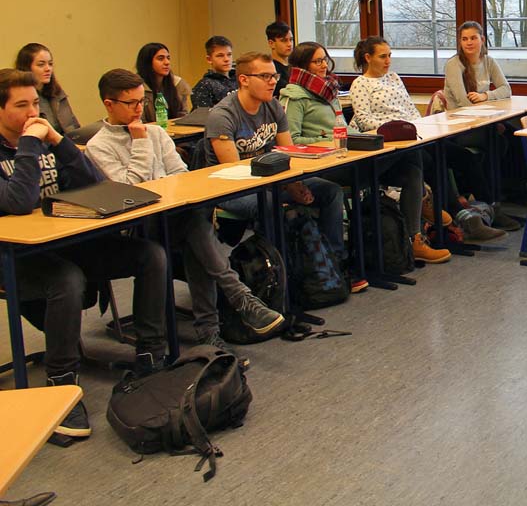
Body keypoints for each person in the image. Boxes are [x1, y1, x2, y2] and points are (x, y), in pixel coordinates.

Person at [0, 68, 167, 443]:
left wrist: (58, 141)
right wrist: (29, 144)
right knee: (66, 279)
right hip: (12, 258)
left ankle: (150, 355)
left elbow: (95, 185)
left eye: (35, 104)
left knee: (150, 255)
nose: (33, 113)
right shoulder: (27, 144)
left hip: (61, 243)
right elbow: (18, 201)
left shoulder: (45, 141)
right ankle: (61, 382)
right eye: (21, 105)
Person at [87, 68, 284, 363]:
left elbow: (181, 174)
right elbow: (129, 190)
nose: (139, 109)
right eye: (131, 103)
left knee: (195, 232)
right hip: (138, 228)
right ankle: (236, 302)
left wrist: (157, 159)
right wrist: (140, 143)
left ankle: (214, 327)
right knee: (196, 227)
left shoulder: (156, 133)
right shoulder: (98, 146)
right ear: (109, 104)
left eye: (142, 101)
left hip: (176, 217)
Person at [203, 52, 366, 290]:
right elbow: (236, 172)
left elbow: (288, 153)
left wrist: (294, 184)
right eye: (265, 76)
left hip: (273, 180)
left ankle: (333, 264)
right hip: (231, 189)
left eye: (274, 76)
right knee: (269, 203)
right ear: (244, 80)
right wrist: (286, 187)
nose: (273, 82)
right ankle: (281, 276)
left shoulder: (272, 106)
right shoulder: (223, 115)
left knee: (331, 191)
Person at [281, 41, 439, 254]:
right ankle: (427, 218)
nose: (324, 65)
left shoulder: (328, 90)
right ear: (302, 66)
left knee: (411, 167)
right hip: (327, 167)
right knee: (410, 153)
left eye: (325, 60)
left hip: (347, 155)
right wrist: (327, 140)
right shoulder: (294, 96)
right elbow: (291, 141)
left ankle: (413, 239)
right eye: (317, 62)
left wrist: (364, 139)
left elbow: (343, 128)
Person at [350, 36, 492, 256]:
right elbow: (364, 121)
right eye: (382, 56)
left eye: (390, 56)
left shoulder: (394, 77)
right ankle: (455, 215)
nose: (388, 61)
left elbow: (410, 109)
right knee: (427, 159)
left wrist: (417, 126)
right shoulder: (360, 84)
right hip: (391, 140)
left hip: (413, 133)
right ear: (368, 58)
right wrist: (397, 127)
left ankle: (485, 208)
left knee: (458, 155)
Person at [441, 21, 522, 230]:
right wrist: (489, 116)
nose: (469, 43)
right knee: (496, 140)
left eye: (473, 38)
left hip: (483, 123)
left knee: (515, 136)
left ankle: (517, 193)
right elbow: (463, 102)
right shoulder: (454, 65)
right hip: (460, 128)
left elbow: (506, 89)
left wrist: (486, 95)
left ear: (482, 40)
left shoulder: (488, 61)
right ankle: (493, 204)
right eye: (464, 39)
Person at [14, 43, 80, 136]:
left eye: (50, 64)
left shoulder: (57, 93)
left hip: (68, 142)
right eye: (41, 65)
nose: (48, 69)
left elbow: (74, 127)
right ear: (27, 68)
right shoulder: (22, 97)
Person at [136, 42, 191, 122]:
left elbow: (183, 116)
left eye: (168, 58)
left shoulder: (177, 83)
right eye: (160, 58)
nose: (167, 62)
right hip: (147, 129)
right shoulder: (136, 86)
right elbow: (138, 120)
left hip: (174, 129)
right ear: (147, 62)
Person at [190, 35, 239, 109]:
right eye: (220, 56)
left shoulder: (240, 79)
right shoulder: (204, 86)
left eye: (229, 54)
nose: (226, 59)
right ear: (209, 59)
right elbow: (203, 114)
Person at [266, 21, 294, 98]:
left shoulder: (295, 66)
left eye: (291, 39)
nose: (289, 44)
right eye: (284, 40)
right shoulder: (270, 69)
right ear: (271, 43)